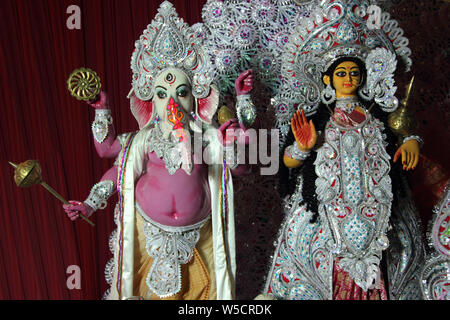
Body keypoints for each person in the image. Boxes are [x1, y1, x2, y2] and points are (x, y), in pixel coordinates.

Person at [63, 1, 254, 300]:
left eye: (181, 93)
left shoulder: (207, 136)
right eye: (162, 95)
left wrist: (231, 137)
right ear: (151, 102)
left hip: (199, 237)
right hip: (148, 234)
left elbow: (240, 170)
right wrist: (103, 111)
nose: (172, 102)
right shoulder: (144, 139)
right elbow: (109, 155)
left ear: (197, 99)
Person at [263, 1, 425, 300]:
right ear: (327, 79)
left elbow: (399, 135)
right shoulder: (315, 119)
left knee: (389, 259)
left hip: (378, 214)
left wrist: (411, 140)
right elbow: (286, 162)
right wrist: (302, 147)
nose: (348, 78)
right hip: (325, 218)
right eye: (341, 73)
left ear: (363, 78)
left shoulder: (376, 115)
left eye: (354, 72)